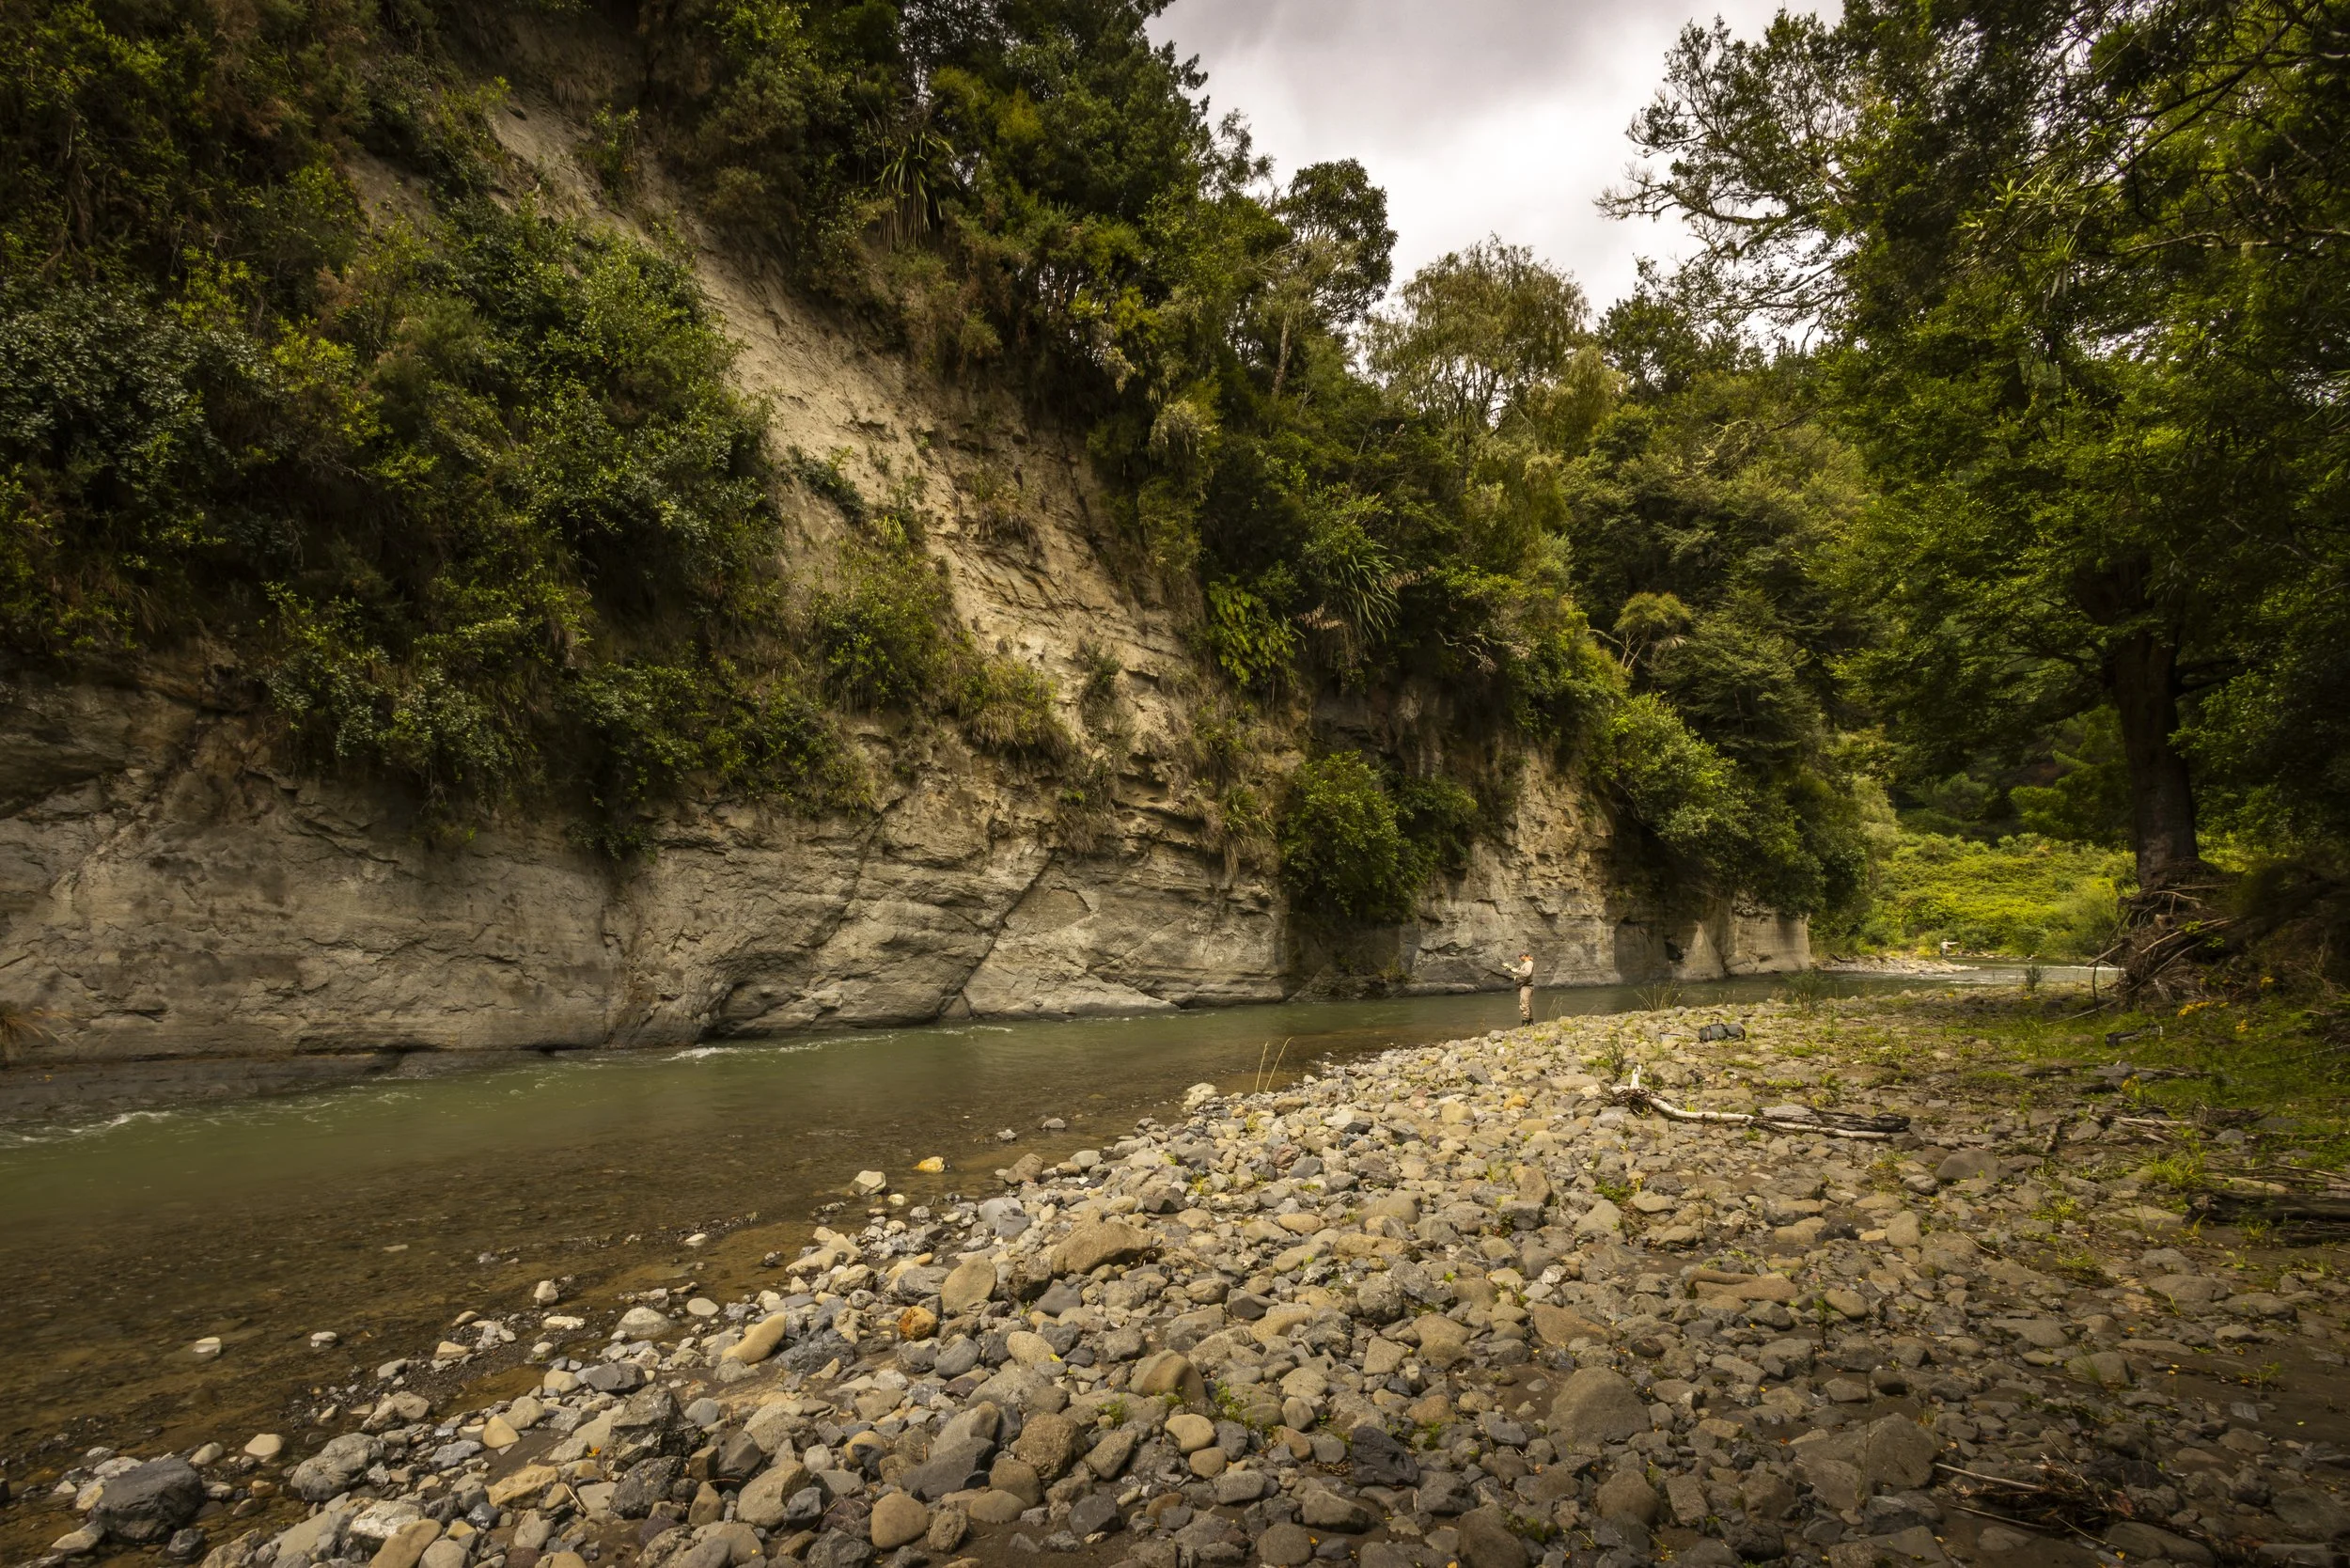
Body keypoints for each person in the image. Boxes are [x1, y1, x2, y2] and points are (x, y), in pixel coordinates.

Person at [1507, 951, 1535, 1024]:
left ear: (1524, 956)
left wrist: (1516, 971)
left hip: (1526, 987)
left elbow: (1527, 973)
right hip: (1526, 986)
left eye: (1520, 956)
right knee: (1527, 1004)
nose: (1519, 958)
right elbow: (1521, 972)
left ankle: (1525, 1024)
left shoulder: (1529, 963)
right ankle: (1530, 1023)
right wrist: (1511, 969)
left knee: (1524, 1005)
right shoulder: (1526, 964)